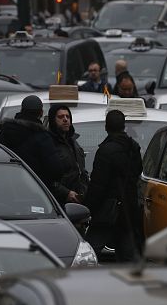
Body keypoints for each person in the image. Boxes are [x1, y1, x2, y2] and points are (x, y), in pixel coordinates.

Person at [83, 109, 143, 261]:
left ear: (106, 127)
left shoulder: (105, 151)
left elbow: (98, 185)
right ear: (124, 126)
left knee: (88, 252)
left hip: (107, 211)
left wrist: (88, 207)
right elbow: (137, 173)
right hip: (128, 210)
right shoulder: (134, 147)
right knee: (127, 253)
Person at [0, 95, 63, 191]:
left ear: (21, 110)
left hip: (7, 187)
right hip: (35, 190)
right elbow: (56, 170)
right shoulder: (42, 137)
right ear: (41, 113)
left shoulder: (5, 132)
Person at [47, 104, 89, 206]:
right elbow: (46, 178)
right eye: (60, 117)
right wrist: (66, 193)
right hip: (59, 203)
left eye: (68, 116)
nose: (65, 119)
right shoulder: (48, 144)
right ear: (53, 120)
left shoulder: (73, 142)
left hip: (79, 199)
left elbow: (81, 170)